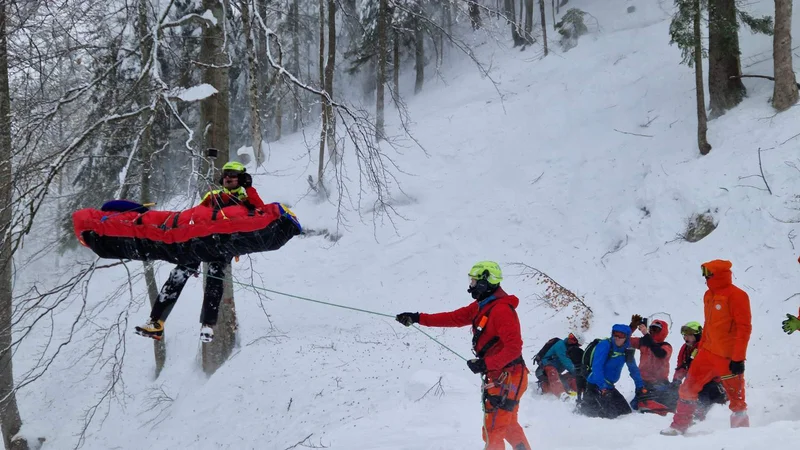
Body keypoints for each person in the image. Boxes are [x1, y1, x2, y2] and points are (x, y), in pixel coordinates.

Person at [395, 261, 531, 450]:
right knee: (505, 425)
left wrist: (486, 364)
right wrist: (418, 318)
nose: (471, 285)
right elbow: (452, 318)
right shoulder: (482, 306)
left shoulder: (501, 310)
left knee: (493, 430)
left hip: (509, 376)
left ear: (486, 282)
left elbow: (514, 348)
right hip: (502, 375)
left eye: (474, 281)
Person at [135, 161, 265, 343]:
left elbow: (262, 211)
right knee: (177, 275)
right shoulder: (213, 196)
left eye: (234, 175)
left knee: (214, 277)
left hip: (223, 246)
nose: (228, 177)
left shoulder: (246, 199)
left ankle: (208, 325)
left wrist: (249, 189)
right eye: (226, 173)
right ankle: (156, 322)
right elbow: (196, 217)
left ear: (242, 178)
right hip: (200, 242)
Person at [661, 260, 752, 436]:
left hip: (727, 357)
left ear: (718, 274)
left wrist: (738, 358)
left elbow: (744, 328)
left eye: (708, 274)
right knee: (688, 387)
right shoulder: (708, 295)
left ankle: (741, 435)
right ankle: (678, 426)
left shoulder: (737, 295)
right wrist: (699, 348)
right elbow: (709, 325)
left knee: (736, 399)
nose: (705, 278)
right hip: (707, 353)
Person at [576, 324, 646, 419]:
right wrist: (603, 387)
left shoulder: (627, 350)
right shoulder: (605, 345)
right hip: (596, 385)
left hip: (609, 387)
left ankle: (587, 405)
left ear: (627, 337)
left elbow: (633, 369)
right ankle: (584, 406)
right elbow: (597, 367)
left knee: (625, 413)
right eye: (615, 334)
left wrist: (640, 386)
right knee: (610, 417)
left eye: (621, 335)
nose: (617, 338)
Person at [671, 321, 727, 421]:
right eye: (685, 336)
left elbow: (710, 370)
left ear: (697, 335)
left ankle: (698, 414)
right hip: (694, 381)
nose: (686, 338)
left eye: (689, 336)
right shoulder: (685, 349)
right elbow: (681, 366)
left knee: (702, 390)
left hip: (712, 384)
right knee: (680, 391)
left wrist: (695, 383)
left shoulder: (705, 347)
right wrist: (676, 380)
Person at [628, 316, 673, 414]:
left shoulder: (666, 346)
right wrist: (633, 326)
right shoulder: (643, 342)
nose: (652, 332)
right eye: (651, 329)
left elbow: (660, 354)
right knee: (636, 405)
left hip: (660, 383)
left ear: (663, 331)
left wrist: (646, 334)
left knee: (670, 400)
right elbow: (624, 340)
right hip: (643, 383)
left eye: (656, 329)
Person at [536, 333, 581, 399]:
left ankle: (544, 386)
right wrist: (577, 373)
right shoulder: (560, 345)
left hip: (556, 375)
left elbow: (573, 365)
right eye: (570, 336)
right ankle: (561, 393)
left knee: (570, 377)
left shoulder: (570, 351)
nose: (570, 339)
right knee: (553, 371)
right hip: (543, 372)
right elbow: (566, 362)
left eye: (573, 339)